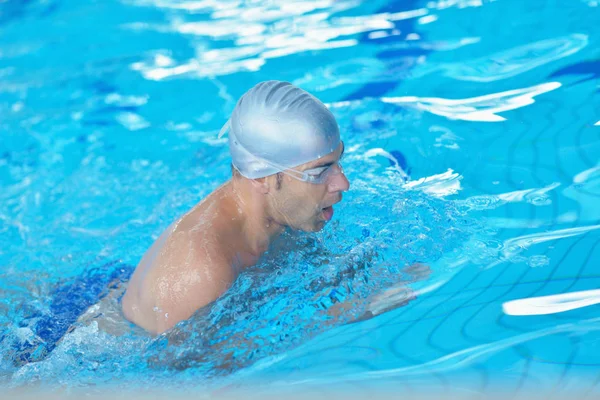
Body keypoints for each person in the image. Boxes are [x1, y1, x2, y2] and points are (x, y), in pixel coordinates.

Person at [122, 81, 350, 334]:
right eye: (320, 172)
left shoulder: (286, 213)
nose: (343, 183)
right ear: (262, 177)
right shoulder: (202, 271)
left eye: (338, 162)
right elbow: (180, 369)